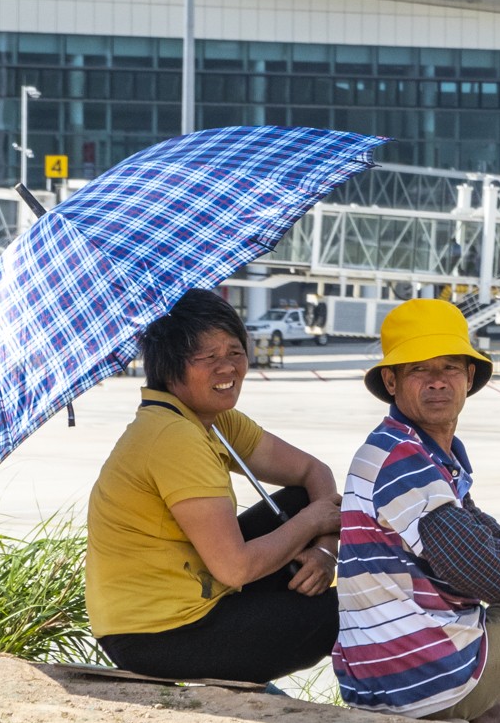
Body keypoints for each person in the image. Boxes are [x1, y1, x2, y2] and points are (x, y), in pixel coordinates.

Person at [333, 299, 500, 723]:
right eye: (420, 370)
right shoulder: (405, 462)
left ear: (469, 378)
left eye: (450, 368)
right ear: (392, 380)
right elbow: (478, 569)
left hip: (381, 677)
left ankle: (492, 707)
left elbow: (479, 533)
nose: (438, 382)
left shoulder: (409, 448)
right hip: (422, 682)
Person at [86, 289, 342, 684]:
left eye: (235, 352)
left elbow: (312, 471)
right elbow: (235, 568)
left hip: (195, 594)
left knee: (298, 500)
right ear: (171, 368)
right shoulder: (174, 437)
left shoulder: (210, 419)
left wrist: (324, 551)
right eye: (208, 358)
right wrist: (312, 524)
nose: (227, 368)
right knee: (343, 611)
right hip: (156, 635)